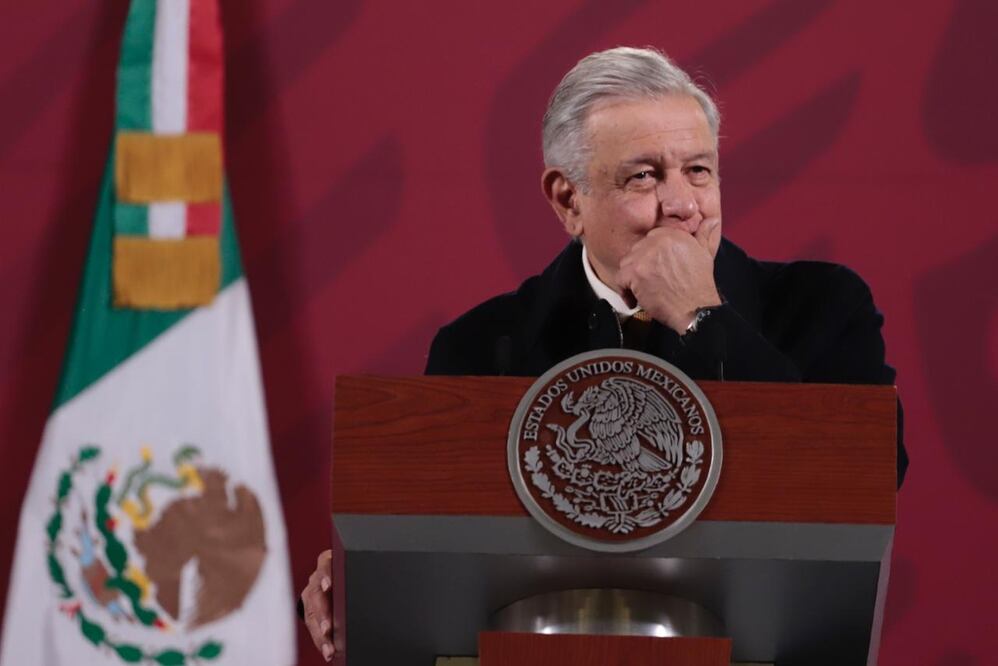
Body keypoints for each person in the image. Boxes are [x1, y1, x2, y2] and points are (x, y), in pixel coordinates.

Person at [300, 46, 908, 661]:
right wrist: (362, 569)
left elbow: (867, 481)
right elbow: (432, 534)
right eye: (644, 176)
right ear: (568, 200)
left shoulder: (821, 306)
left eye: (699, 171)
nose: (683, 204)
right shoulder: (484, 344)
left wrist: (703, 317)